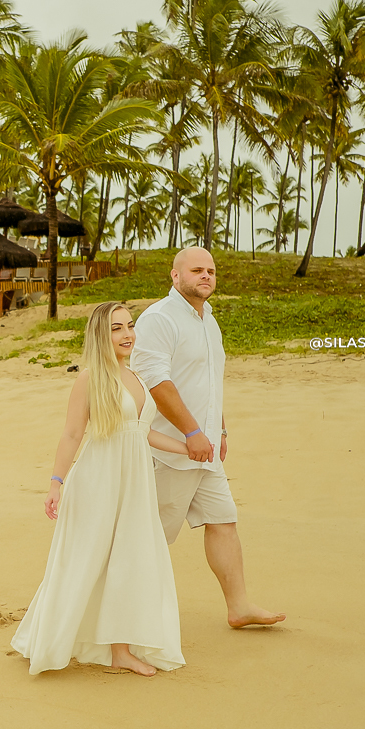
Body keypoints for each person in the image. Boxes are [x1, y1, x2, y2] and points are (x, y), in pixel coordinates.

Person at [11, 301, 193, 677]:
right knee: (83, 562)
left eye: (130, 326)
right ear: (100, 334)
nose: (128, 335)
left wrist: (188, 445)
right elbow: (73, 433)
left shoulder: (138, 377)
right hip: (98, 481)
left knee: (128, 559)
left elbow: (143, 432)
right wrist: (55, 484)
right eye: (117, 328)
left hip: (134, 482)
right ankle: (47, 638)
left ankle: (120, 650)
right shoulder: (91, 378)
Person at [130, 246, 285, 629]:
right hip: (171, 450)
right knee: (150, 537)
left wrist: (220, 429)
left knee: (222, 520)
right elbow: (156, 382)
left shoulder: (207, 319)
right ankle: (124, 617)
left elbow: (208, 382)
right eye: (196, 270)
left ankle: (239, 607)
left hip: (205, 448)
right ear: (175, 276)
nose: (206, 277)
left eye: (211, 271)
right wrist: (193, 432)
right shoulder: (159, 318)